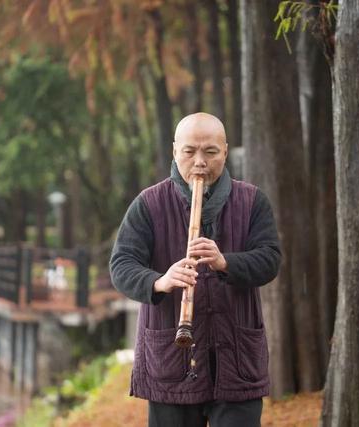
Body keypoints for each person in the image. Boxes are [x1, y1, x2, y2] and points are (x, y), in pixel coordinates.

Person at [110, 112, 281, 427]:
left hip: (237, 361)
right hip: (171, 365)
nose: (199, 161)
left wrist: (226, 262)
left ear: (225, 151)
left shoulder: (253, 200)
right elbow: (121, 265)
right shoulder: (148, 204)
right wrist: (160, 281)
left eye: (210, 152)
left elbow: (270, 258)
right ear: (175, 151)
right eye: (190, 151)